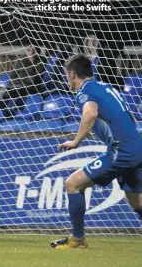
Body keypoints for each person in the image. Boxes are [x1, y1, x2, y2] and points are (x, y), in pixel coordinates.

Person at [51, 54, 142, 249]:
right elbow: (129, 116)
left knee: (72, 184)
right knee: (135, 198)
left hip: (122, 150)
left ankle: (77, 240)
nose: (67, 79)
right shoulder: (106, 87)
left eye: (67, 75)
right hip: (137, 145)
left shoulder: (85, 92)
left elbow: (90, 113)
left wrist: (76, 141)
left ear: (73, 74)